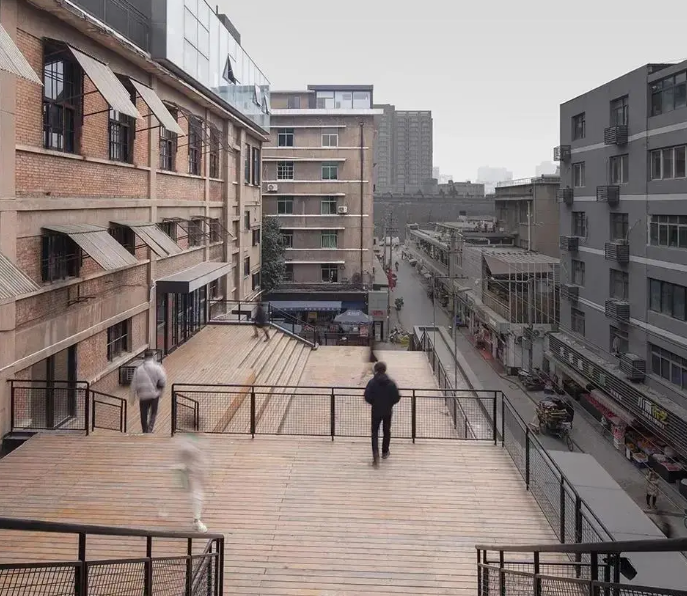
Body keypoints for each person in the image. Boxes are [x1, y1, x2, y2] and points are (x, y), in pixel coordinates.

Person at [364, 361, 401, 466]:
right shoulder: (391, 383)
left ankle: (375, 454)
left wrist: (374, 403)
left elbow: (367, 396)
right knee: (387, 430)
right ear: (385, 370)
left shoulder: (372, 382)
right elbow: (396, 397)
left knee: (374, 432)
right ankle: (385, 451)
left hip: (376, 410)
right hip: (387, 410)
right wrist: (389, 404)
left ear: (376, 370)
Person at [175, 434, 208, 533]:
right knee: (196, 495)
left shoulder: (192, 442)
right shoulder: (187, 444)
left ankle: (196, 520)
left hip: (193, 471)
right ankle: (196, 521)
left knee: (197, 494)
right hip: (191, 472)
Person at [130, 350, 167, 434]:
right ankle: (150, 429)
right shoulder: (158, 367)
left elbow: (133, 384)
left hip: (143, 395)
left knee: (143, 413)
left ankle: (145, 430)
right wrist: (161, 392)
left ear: (145, 357)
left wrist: (132, 397)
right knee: (153, 413)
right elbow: (163, 380)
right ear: (152, 357)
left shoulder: (138, 369)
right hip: (154, 395)